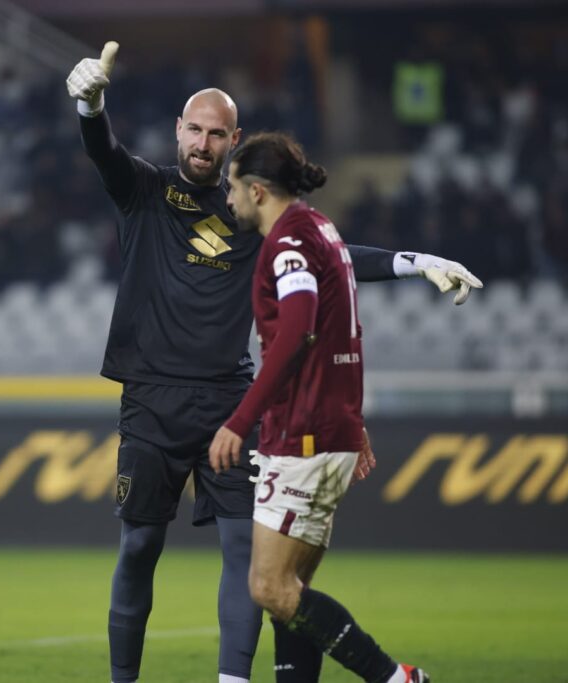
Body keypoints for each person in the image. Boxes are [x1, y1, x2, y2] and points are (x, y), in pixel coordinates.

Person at [67, 42, 478, 683]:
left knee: (246, 552)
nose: (202, 144)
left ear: (233, 142)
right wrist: (90, 105)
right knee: (140, 544)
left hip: (233, 401)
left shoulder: (252, 212)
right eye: (194, 130)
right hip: (151, 399)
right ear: (179, 131)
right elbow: (103, 153)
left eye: (216, 134)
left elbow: (331, 250)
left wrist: (413, 261)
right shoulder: (145, 191)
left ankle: (235, 679)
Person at [209, 132, 429, 683]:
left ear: (258, 191)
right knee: (291, 596)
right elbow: (346, 330)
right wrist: (351, 421)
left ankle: (394, 679)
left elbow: (301, 326)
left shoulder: (287, 244)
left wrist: (240, 420)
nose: (228, 199)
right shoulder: (321, 230)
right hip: (326, 428)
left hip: (301, 434)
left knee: (268, 587)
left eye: (233, 188)